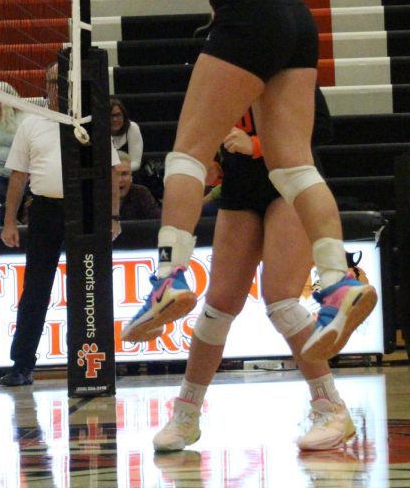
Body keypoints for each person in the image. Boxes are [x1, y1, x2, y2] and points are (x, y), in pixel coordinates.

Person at [122, 0, 382, 361]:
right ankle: (339, 278)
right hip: (294, 16)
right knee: (294, 165)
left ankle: (168, 278)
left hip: (244, 16)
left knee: (187, 151)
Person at [153, 89, 354, 453]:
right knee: (217, 306)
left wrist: (259, 144)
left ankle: (331, 407)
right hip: (239, 188)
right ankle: (186, 414)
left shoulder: (283, 58)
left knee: (282, 301)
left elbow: (321, 129)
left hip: (290, 184)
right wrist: (213, 162)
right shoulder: (218, 69)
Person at [0, 61, 121, 387]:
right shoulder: (31, 123)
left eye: (64, 82)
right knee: (36, 290)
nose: (58, 88)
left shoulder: (91, 121)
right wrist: (9, 222)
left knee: (90, 290)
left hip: (85, 213)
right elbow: (18, 176)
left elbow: (110, 171)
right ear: (46, 85)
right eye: (53, 82)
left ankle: (96, 361)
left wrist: (113, 216)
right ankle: (22, 365)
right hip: (45, 212)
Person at [116, 153, 161, 222]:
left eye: (124, 174)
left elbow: (157, 222)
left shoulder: (141, 193)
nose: (119, 179)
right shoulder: (97, 196)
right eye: (114, 174)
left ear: (131, 177)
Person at [110, 98, 143, 170]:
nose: (115, 119)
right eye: (111, 116)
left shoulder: (132, 128)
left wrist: (117, 171)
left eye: (118, 115)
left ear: (124, 116)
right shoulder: (100, 131)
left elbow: (136, 163)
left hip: (130, 173)